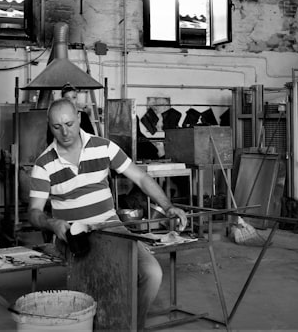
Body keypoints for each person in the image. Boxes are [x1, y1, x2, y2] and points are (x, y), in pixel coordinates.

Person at [28, 98, 188, 330]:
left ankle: (132, 326)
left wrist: (168, 205)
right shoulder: (44, 164)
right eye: (57, 126)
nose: (65, 132)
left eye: (70, 124)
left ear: (80, 118)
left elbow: (141, 177)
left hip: (111, 227)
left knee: (151, 273)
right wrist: (53, 224)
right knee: (100, 283)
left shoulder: (103, 147)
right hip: (73, 236)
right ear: (49, 125)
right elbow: (34, 212)